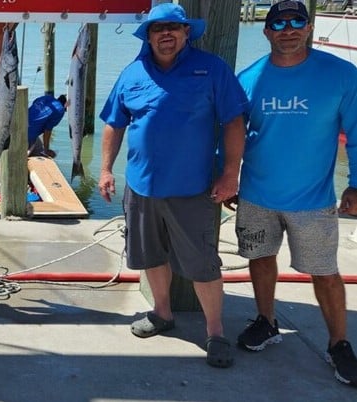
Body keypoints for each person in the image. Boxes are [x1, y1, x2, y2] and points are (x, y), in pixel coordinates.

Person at [98, 3, 247, 368]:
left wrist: (230, 173)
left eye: (173, 28)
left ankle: (215, 332)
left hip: (193, 189)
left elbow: (233, 121)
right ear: (148, 35)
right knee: (150, 256)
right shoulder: (132, 72)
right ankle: (162, 313)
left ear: (185, 33)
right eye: (157, 28)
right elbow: (114, 124)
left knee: (203, 264)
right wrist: (105, 170)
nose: (165, 34)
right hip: (141, 187)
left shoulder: (212, 69)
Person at [231, 0, 357, 386]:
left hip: (313, 202)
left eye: (296, 21)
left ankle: (339, 344)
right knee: (260, 259)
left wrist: (356, 183)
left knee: (326, 274)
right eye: (278, 22)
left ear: (308, 28)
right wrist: (225, 178)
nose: (288, 28)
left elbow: (355, 135)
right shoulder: (248, 78)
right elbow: (231, 135)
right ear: (267, 31)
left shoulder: (342, 75)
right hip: (254, 195)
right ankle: (266, 321)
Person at [27, 93, 66, 158]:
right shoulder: (60, 110)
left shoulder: (47, 97)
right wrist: (46, 150)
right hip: (28, 134)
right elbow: (47, 131)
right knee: (33, 146)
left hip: (21, 122)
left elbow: (35, 102)